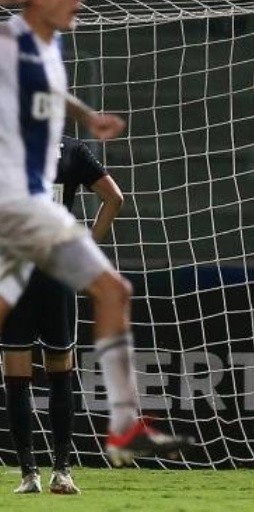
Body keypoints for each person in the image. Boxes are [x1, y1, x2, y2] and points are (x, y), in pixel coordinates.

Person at [0, 0, 192, 470]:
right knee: (111, 289)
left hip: (32, 210)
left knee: (113, 290)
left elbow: (51, 95)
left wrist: (87, 118)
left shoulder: (49, 45)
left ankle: (126, 429)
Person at [2, 136, 123, 495]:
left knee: (16, 377)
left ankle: (28, 475)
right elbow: (114, 198)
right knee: (60, 372)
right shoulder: (70, 150)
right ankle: (62, 472)